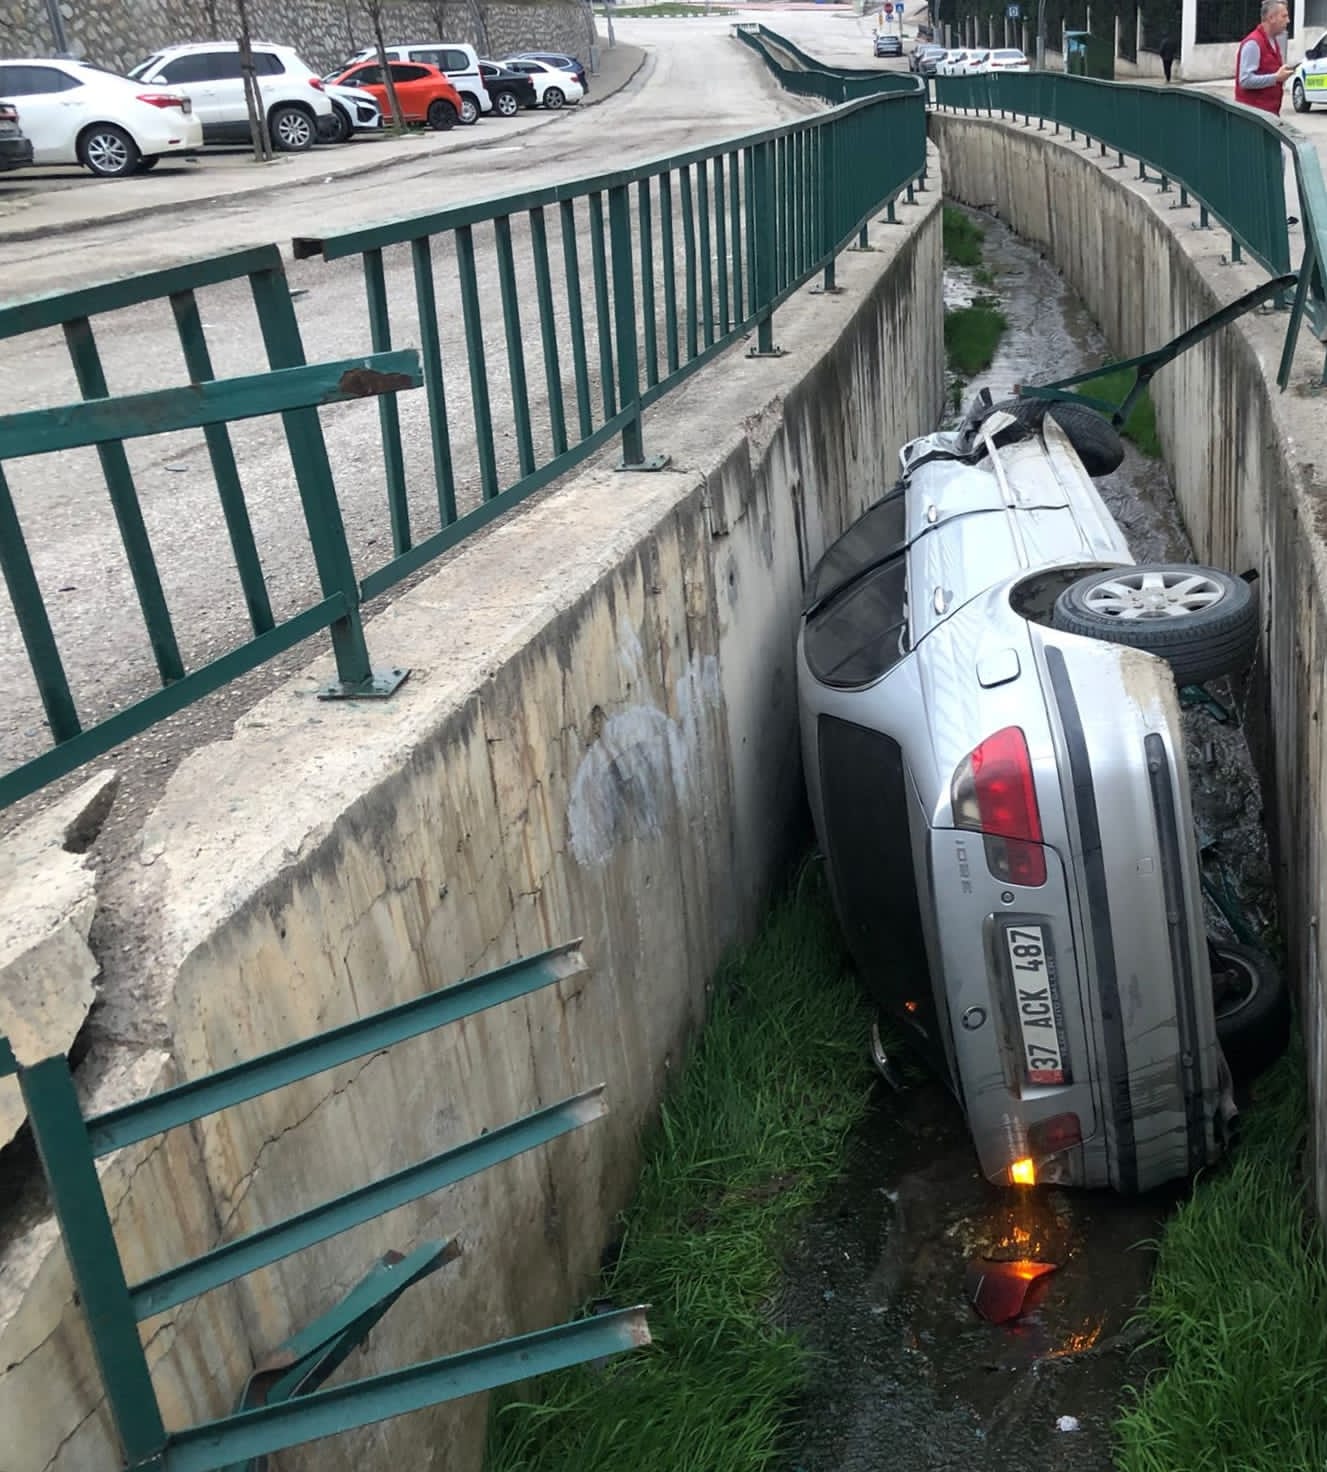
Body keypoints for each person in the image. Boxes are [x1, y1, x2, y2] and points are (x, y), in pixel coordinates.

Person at [1234, 0, 1294, 115]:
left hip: (1268, 115)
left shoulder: (1273, 41)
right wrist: (1276, 78)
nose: (1288, 21)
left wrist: (1280, 75)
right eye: (1284, 16)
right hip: (1252, 118)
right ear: (1271, 18)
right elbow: (1245, 80)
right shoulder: (1253, 43)